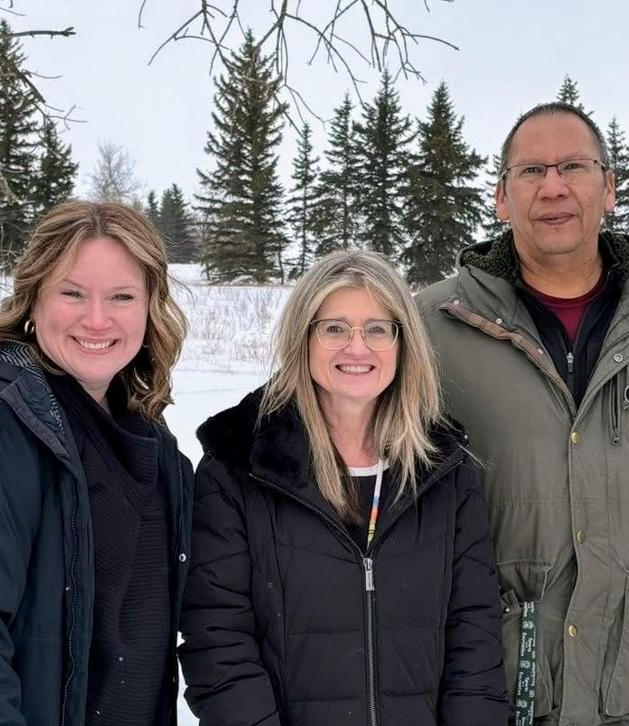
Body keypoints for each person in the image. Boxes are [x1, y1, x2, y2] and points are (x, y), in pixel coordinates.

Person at [418, 102, 629, 726]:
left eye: (574, 167)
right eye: (530, 171)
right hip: (483, 682)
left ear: (609, 188)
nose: (553, 187)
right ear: (501, 197)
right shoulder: (432, 325)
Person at [0, 200, 194, 726]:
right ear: (33, 299)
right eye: (72, 293)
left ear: (150, 308)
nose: (96, 319)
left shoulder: (149, 441)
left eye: (122, 297)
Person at [181, 249, 508, 725]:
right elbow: (218, 639)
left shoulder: (445, 470)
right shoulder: (239, 465)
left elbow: (474, 635)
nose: (357, 348)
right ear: (304, 337)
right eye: (334, 328)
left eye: (377, 329)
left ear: (403, 342)